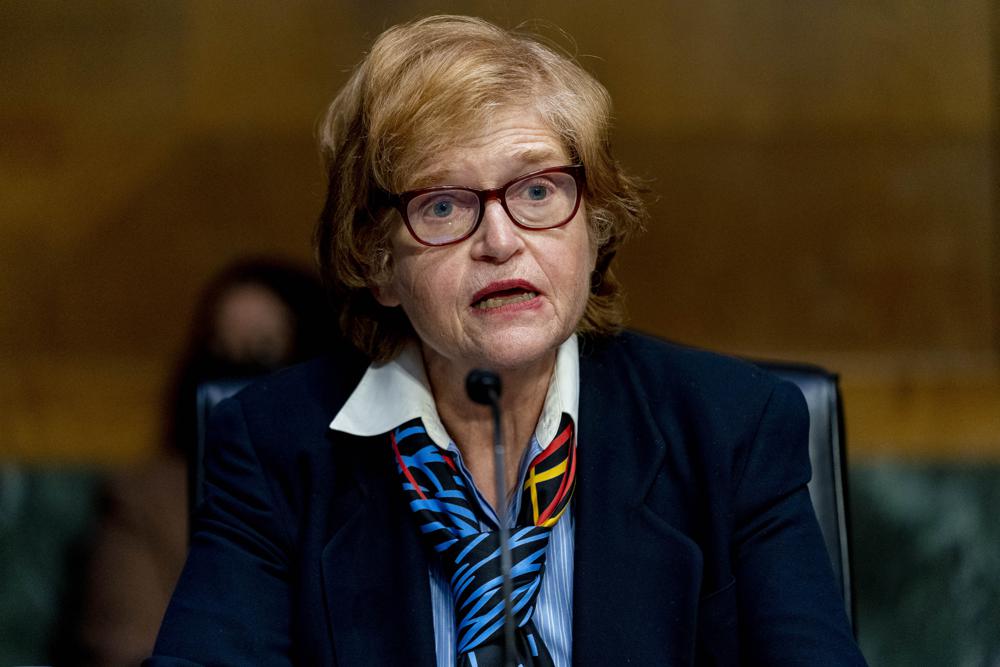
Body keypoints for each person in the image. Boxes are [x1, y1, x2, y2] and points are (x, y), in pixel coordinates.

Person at [147, 15, 866, 666]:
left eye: (537, 191)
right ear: (377, 261)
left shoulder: (730, 429)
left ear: (595, 224)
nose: (500, 240)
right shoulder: (274, 449)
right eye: (442, 203)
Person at [77, 258, 333, 667]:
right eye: (218, 351)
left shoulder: (378, 486)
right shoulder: (145, 499)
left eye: (264, 352)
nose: (234, 384)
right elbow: (125, 644)